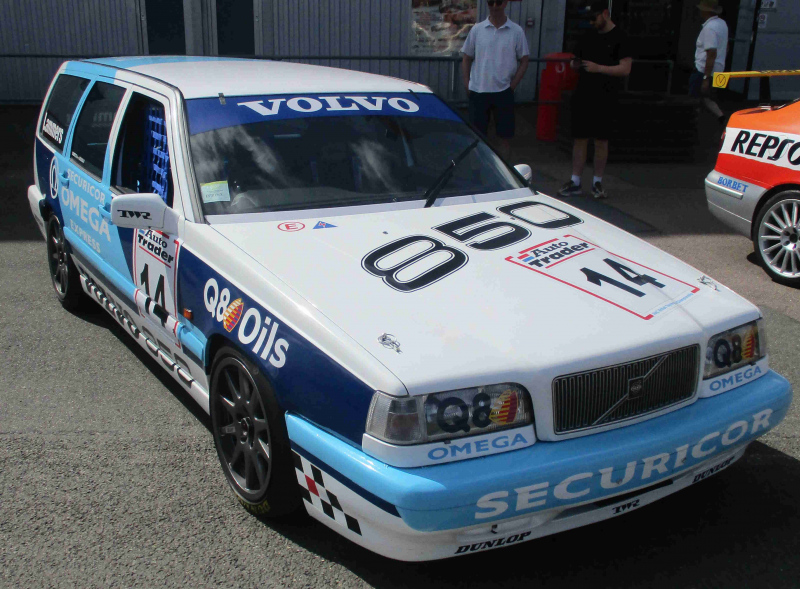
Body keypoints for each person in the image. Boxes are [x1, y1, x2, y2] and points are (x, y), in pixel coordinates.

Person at [558, 0, 632, 200]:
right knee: (580, 138)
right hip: (583, 93)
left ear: (605, 13)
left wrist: (599, 68)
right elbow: (575, 60)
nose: (591, 22)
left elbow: (626, 68)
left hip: (606, 95)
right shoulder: (588, 35)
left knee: (601, 140)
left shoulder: (620, 37)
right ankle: (575, 180)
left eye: (594, 18)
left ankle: (597, 181)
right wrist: (574, 64)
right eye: (589, 19)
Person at [461, 0, 529, 160]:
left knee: (504, 139)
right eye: (490, 2)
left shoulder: (516, 31)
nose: (494, 6)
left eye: (498, 2)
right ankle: (478, 170)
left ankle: (503, 171)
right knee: (477, 138)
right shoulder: (477, 29)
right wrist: (467, 83)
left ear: (505, 3)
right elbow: (466, 57)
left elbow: (525, 60)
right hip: (478, 91)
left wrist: (512, 86)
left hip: (503, 92)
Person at [689, 0, 728, 124]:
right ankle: (721, 118)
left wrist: (705, 78)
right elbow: (726, 47)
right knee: (708, 97)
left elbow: (711, 53)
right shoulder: (722, 24)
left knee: (696, 98)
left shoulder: (709, 28)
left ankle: (694, 122)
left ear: (705, 11)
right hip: (719, 70)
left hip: (704, 70)